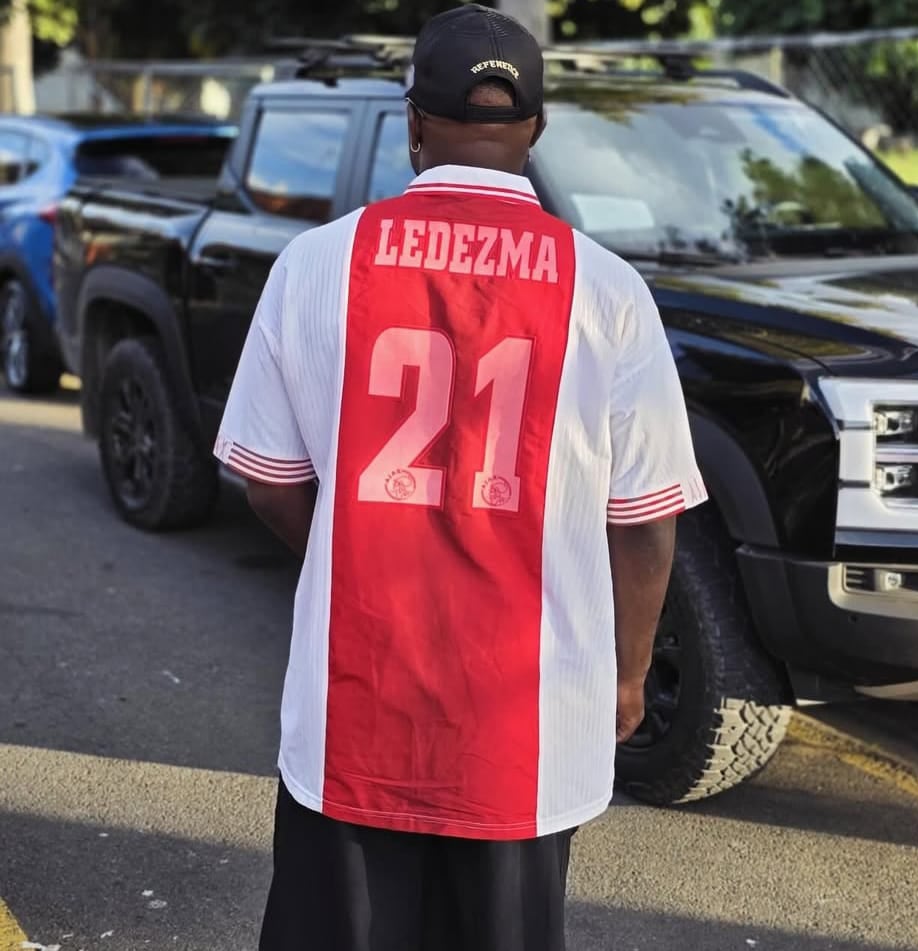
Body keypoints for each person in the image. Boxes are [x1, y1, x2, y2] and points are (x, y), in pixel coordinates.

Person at [213, 4, 706, 950]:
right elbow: (644, 522)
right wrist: (629, 671)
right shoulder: (607, 291)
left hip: (354, 706)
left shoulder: (317, 264)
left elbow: (270, 482)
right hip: (526, 724)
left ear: (412, 124)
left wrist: (351, 542)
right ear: (536, 129)